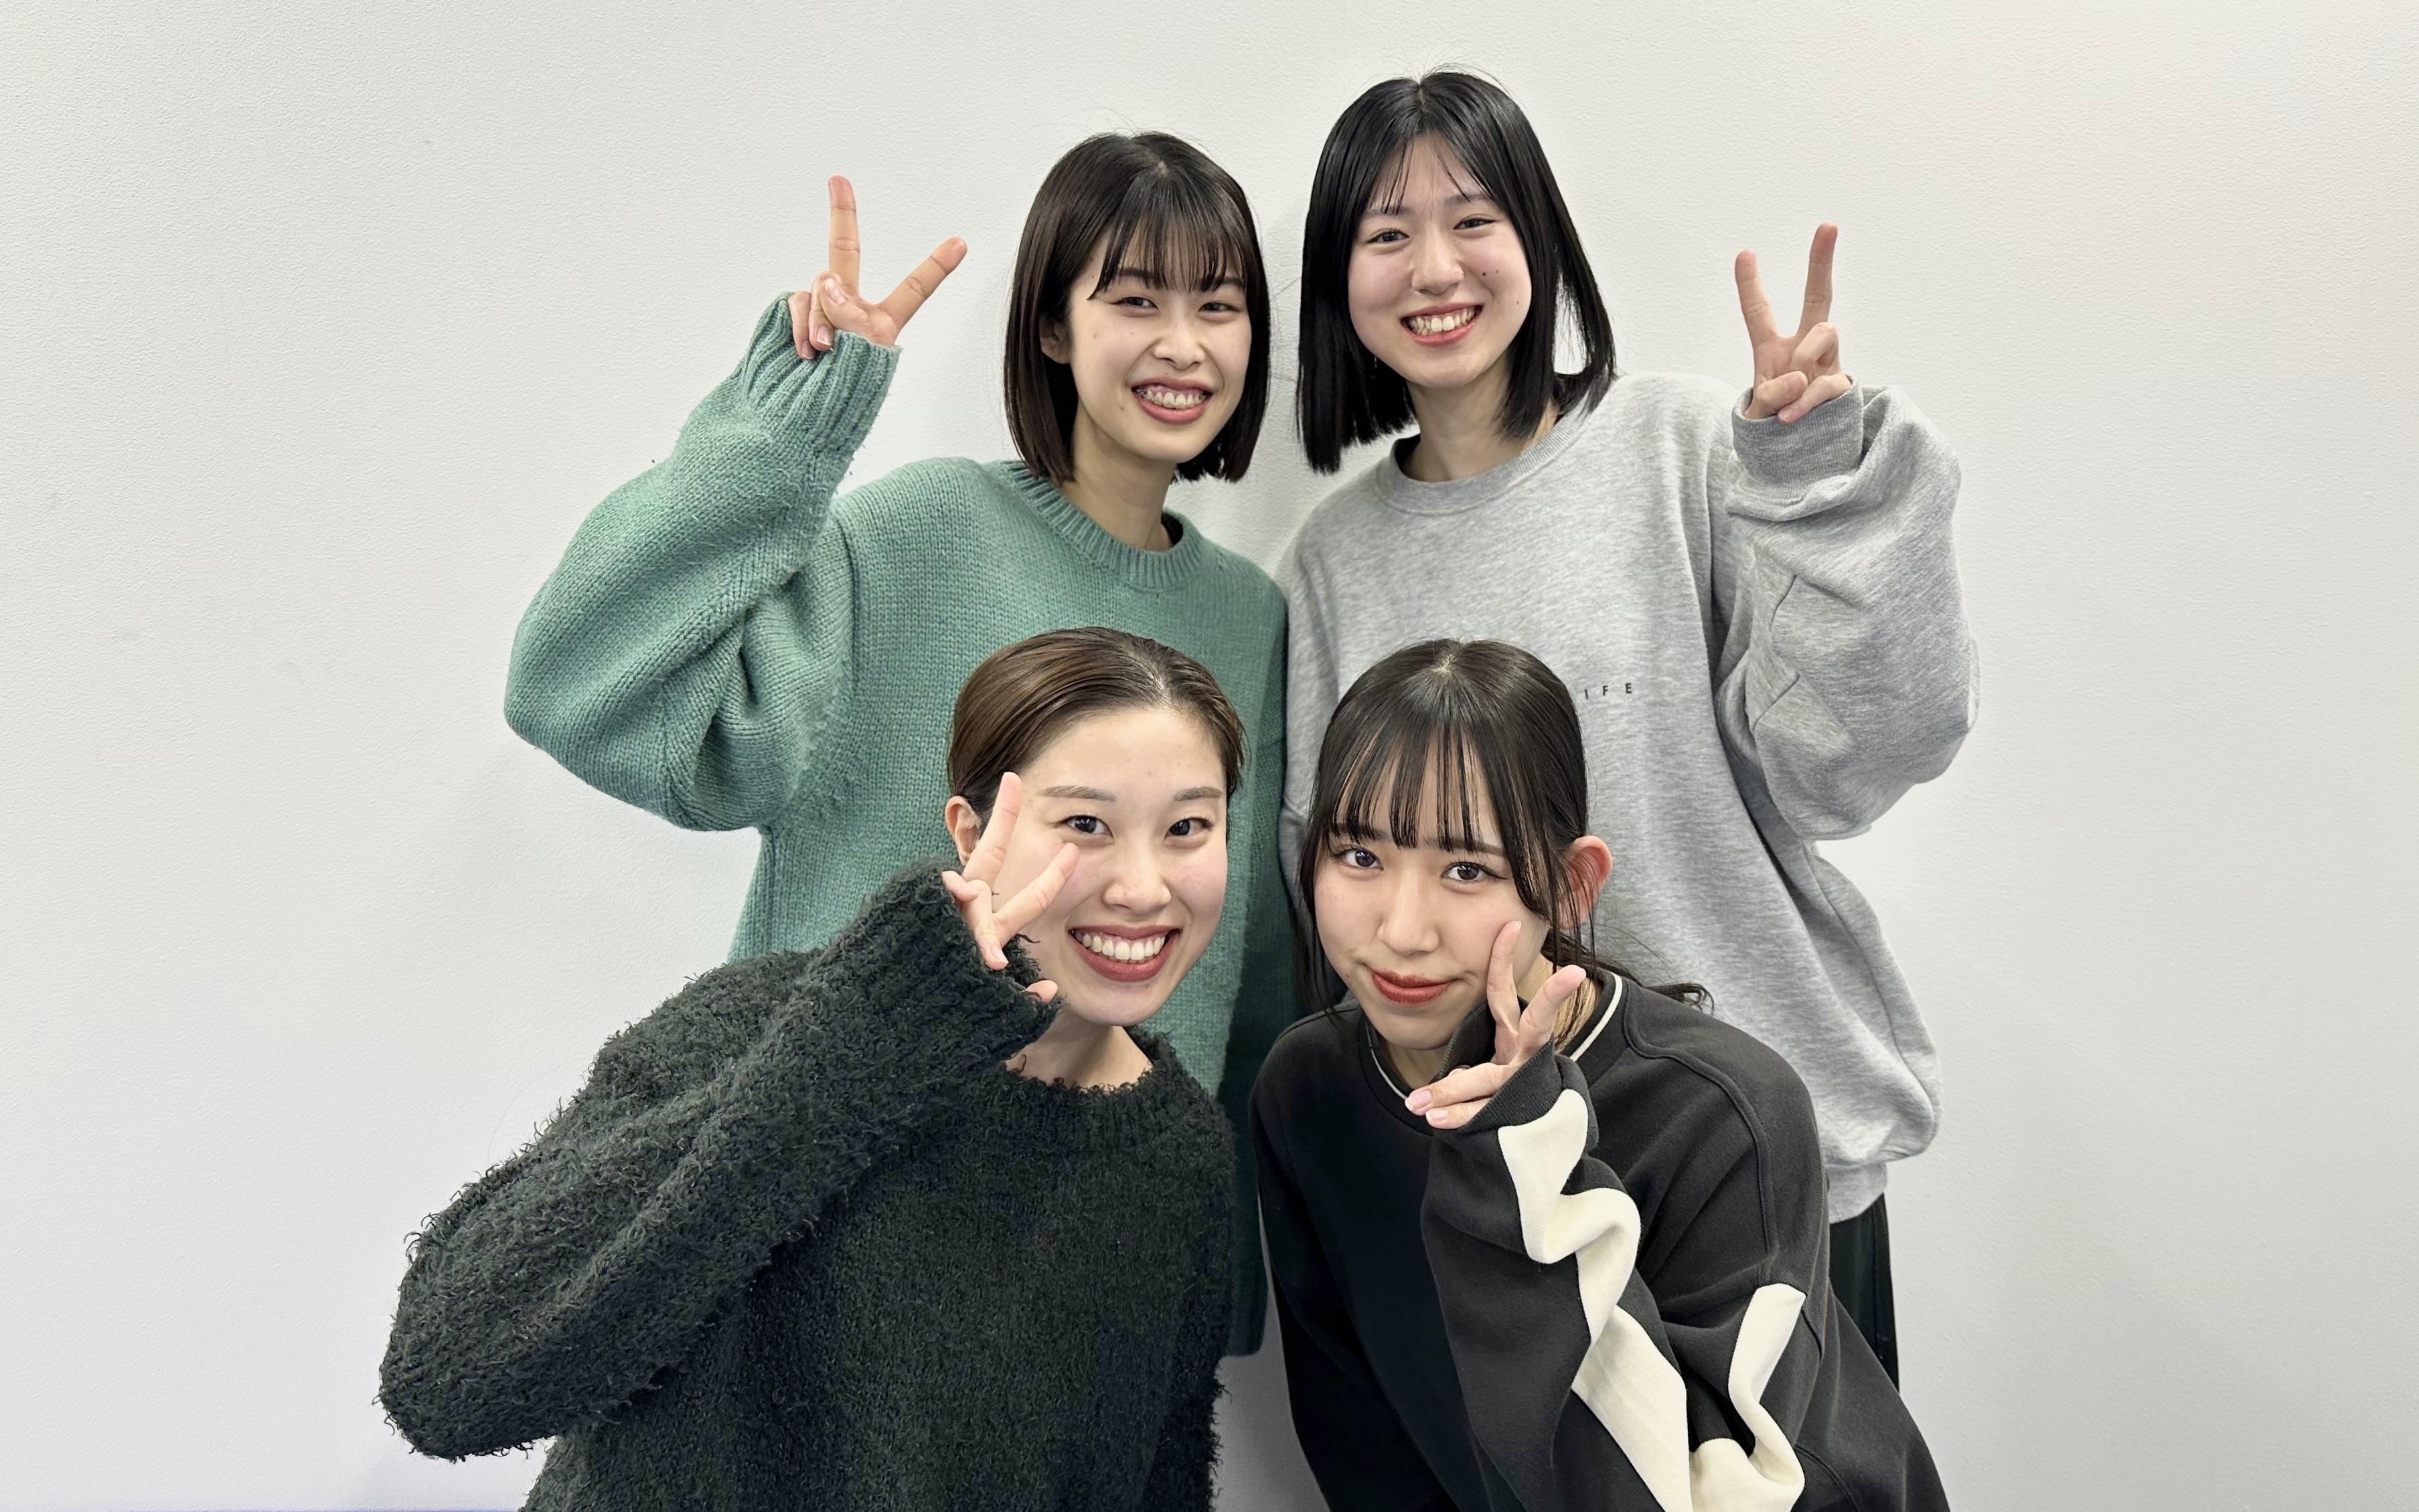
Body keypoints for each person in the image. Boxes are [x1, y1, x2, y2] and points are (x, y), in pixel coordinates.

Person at [501, 134, 1294, 1347]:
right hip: (835, 1243)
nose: (1183, 344)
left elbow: (1245, 963)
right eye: (1135, 301)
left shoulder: (1250, 617)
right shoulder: (916, 537)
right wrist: (791, 426)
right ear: (1052, 327)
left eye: (1218, 306)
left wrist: (1205, 1283)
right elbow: (580, 693)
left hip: (1094, 1273)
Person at [1278, 70, 1977, 1377]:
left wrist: (1818, 487)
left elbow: (1856, 758)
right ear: (1338, 276)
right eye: (1386, 233)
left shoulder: (1683, 446)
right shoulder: (1331, 560)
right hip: (1506, 1192)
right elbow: (1327, 893)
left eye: (1472, 219)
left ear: (1539, 236)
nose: (1434, 267)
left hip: (1760, 1155)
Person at [382, 627, 1245, 1509]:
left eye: (1187, 828)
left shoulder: (1184, 1155)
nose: (1143, 888)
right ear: (970, 832)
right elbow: (446, 1383)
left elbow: (1161, 1481)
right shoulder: (763, 1026)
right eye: (1085, 825)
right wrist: (864, 1048)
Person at [1253, 639, 1946, 1511]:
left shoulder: (1722, 1112)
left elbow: (1679, 1493)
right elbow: (1367, 1452)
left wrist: (1520, 1162)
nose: (1401, 930)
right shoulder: (1308, 1090)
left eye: (1466, 870)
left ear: (1571, 886)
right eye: (1359, 856)